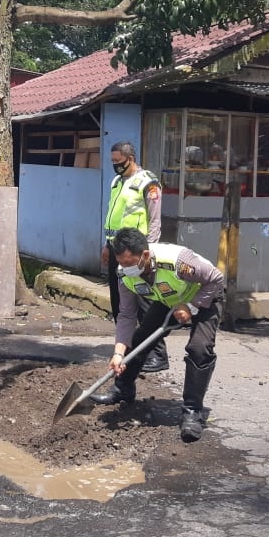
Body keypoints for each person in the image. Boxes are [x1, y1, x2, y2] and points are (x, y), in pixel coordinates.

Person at [92, 227, 225, 442]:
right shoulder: (123, 274)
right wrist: (118, 353)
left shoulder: (179, 262)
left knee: (199, 349)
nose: (125, 268)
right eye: (121, 263)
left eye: (129, 263)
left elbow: (216, 279)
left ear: (144, 255)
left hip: (204, 296)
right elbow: (126, 315)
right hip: (168, 300)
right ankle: (123, 388)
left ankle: (192, 412)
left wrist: (192, 306)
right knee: (140, 337)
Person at [101, 141, 167, 373]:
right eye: (113, 163)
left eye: (119, 162)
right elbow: (113, 215)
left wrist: (149, 254)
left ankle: (157, 354)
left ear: (131, 158)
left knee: (145, 303)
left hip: (138, 254)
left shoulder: (148, 182)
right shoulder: (117, 182)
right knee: (120, 303)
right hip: (118, 251)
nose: (116, 166)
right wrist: (107, 245)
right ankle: (126, 350)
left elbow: (155, 220)